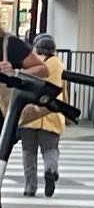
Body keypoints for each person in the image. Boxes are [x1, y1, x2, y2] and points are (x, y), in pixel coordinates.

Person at [19, 33, 65, 198]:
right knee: (50, 149)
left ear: (36, 48)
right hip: (51, 113)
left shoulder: (32, 64)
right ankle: (50, 170)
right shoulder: (59, 65)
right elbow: (63, 90)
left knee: (28, 152)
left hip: (30, 113)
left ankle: (30, 187)